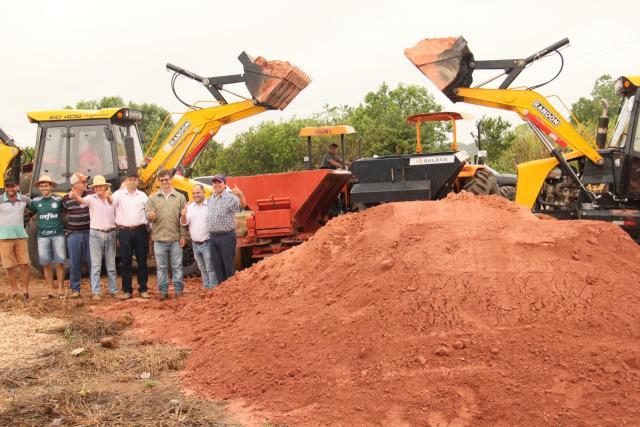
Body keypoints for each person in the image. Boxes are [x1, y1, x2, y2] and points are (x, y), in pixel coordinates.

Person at [69, 175, 118, 300]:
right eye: (96, 187)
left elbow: (115, 206)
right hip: (96, 233)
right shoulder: (91, 198)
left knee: (111, 265)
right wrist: (75, 196)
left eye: (101, 186)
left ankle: (114, 290)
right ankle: (96, 291)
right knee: (96, 265)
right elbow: (81, 200)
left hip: (111, 233)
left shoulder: (112, 199)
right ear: (94, 188)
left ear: (106, 187)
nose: (98, 189)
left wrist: (109, 198)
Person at [145, 169, 188, 300]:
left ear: (171, 179)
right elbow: (148, 215)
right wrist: (150, 216)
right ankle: (163, 291)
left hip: (175, 239)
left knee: (177, 266)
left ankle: (179, 290)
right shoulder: (152, 198)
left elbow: (182, 219)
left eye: (167, 179)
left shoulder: (180, 198)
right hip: (159, 239)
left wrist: (183, 236)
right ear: (159, 181)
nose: (164, 182)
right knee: (161, 267)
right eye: (162, 180)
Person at [112, 171, 150, 299]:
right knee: (126, 262)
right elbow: (109, 205)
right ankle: (127, 290)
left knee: (142, 261)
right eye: (130, 179)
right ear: (126, 180)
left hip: (140, 231)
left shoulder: (143, 196)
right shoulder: (118, 195)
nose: (132, 181)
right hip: (124, 232)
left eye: (135, 179)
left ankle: (143, 289)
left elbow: (149, 212)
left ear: (137, 181)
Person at [28, 175, 65, 298]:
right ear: (39, 188)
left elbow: (66, 211)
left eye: (46, 186)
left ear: (51, 187)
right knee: (46, 264)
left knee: (59, 263)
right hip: (42, 236)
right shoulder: (36, 202)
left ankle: (60, 289)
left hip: (58, 235)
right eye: (42, 186)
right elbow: (28, 211)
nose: (44, 188)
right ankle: (50, 290)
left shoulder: (58, 200)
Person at [207, 174, 246, 283]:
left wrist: (241, 195)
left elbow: (241, 208)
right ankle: (222, 291)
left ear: (224, 184)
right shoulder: (211, 198)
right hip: (213, 237)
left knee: (228, 266)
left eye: (219, 182)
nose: (216, 184)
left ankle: (231, 292)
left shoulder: (231, 198)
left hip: (226, 237)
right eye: (214, 182)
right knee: (217, 267)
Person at [180, 184, 217, 290]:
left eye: (198, 192)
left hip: (207, 242)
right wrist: (183, 215)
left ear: (203, 192)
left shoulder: (210, 205)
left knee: (210, 267)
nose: (196, 195)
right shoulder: (190, 207)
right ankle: (206, 288)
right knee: (202, 268)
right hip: (195, 244)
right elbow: (184, 223)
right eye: (194, 193)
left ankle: (213, 288)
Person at [62, 173, 92, 298]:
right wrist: (66, 230)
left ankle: (95, 290)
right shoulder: (66, 199)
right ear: (75, 185)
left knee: (93, 262)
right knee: (75, 263)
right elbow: (61, 214)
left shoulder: (91, 194)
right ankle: (75, 289)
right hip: (74, 235)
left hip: (90, 233)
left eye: (86, 182)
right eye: (83, 182)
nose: (86, 184)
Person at [0, 179, 31, 300]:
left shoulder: (24, 199)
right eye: (7, 187)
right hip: (4, 237)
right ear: (5, 188)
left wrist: (31, 216)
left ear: (17, 187)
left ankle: (25, 291)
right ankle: (14, 291)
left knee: (24, 264)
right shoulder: (0, 199)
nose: (10, 189)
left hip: (20, 237)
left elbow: (35, 207)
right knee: (9, 267)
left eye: (12, 187)